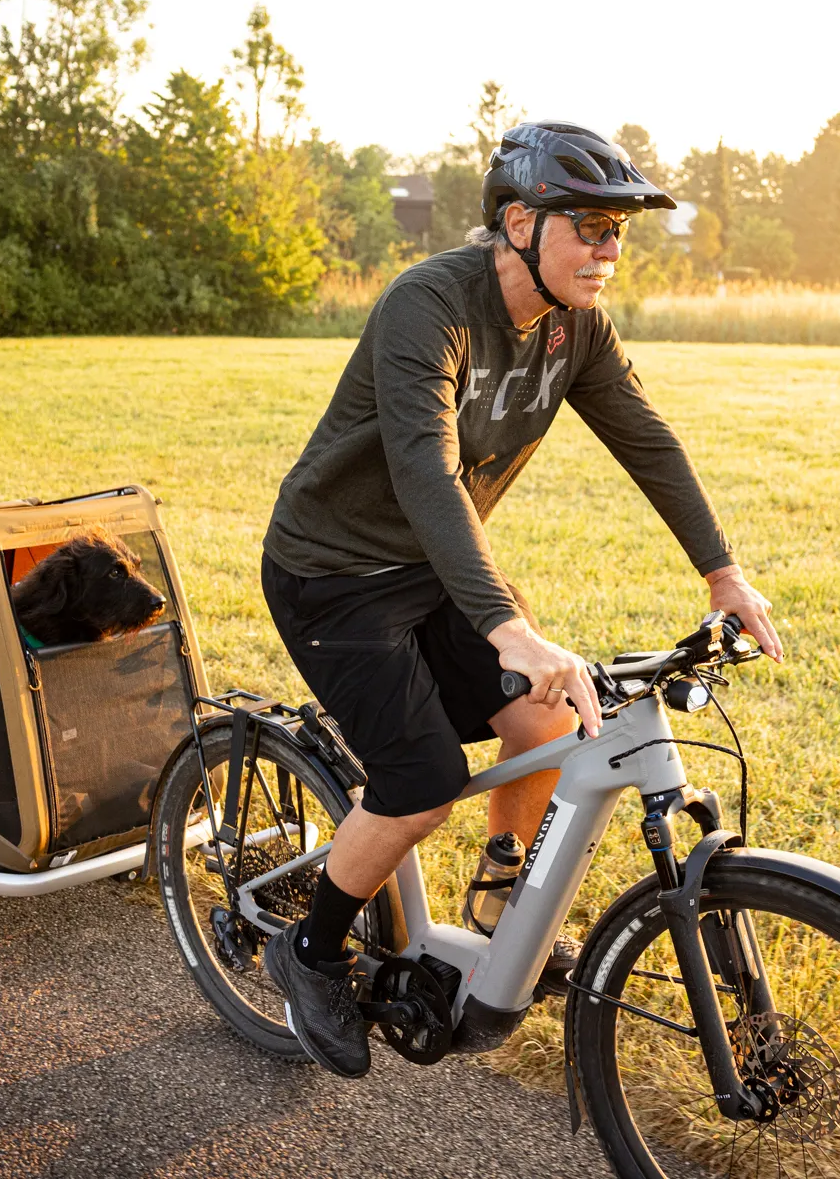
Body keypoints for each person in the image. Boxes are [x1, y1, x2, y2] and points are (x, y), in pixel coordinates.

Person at [260, 120, 783, 1077]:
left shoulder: (574, 325)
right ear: (517, 224)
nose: (610, 249)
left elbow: (647, 440)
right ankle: (310, 950)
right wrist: (510, 627)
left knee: (549, 718)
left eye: (619, 231)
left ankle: (499, 900)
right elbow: (426, 470)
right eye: (588, 226)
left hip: (434, 570)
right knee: (418, 786)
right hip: (333, 574)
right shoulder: (430, 304)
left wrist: (723, 573)